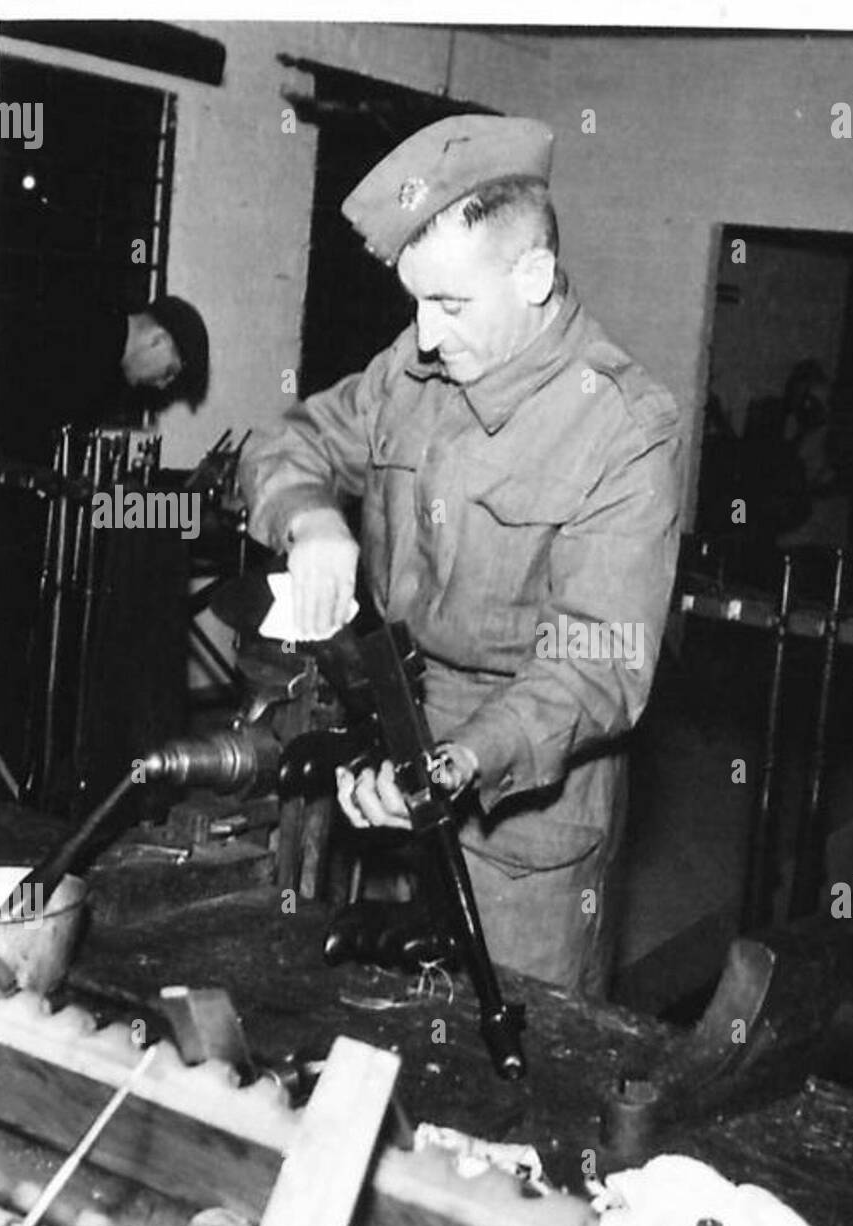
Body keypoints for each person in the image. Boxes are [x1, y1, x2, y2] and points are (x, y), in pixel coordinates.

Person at [238, 115, 683, 995]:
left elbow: (595, 667)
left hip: (522, 818)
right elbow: (283, 445)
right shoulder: (414, 369)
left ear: (534, 275)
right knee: (371, 1035)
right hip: (387, 751)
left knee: (510, 1077)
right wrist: (311, 519)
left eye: (449, 304)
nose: (427, 335)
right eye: (416, 304)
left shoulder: (622, 426)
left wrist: (454, 765)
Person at [0, 292, 210, 465]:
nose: (162, 385)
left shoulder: (111, 371)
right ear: (157, 339)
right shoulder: (83, 330)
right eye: (169, 371)